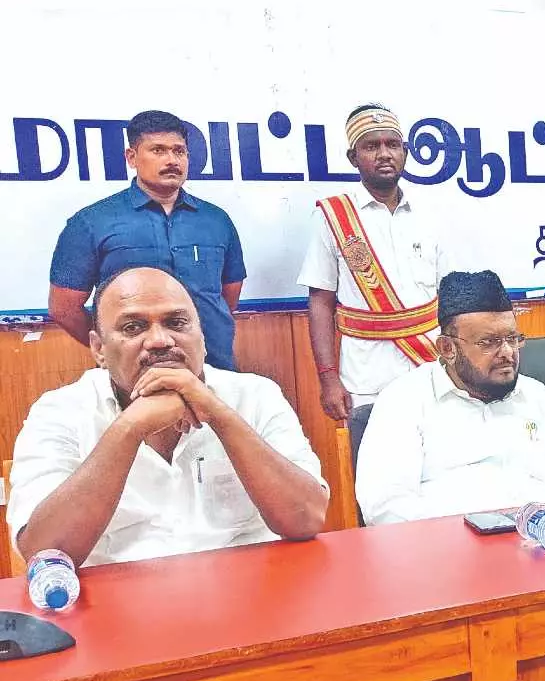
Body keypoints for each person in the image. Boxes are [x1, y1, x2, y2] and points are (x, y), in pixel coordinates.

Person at [7, 267, 328, 567]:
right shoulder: (60, 412)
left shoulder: (255, 395)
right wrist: (129, 428)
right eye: (133, 327)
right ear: (99, 348)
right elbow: (44, 551)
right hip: (115, 602)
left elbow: (306, 520)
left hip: (252, 591)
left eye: (176, 323)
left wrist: (219, 415)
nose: (160, 340)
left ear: (202, 338)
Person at [356, 271, 545, 524]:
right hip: (449, 544)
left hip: (542, 540)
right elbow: (386, 508)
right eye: (489, 342)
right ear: (447, 348)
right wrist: (473, 531)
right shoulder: (403, 402)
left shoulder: (540, 399)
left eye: (512, 339)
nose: (507, 352)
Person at [48, 110, 245, 371]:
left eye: (179, 151)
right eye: (158, 150)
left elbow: (228, 297)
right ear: (132, 157)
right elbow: (64, 308)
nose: (172, 160)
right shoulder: (91, 222)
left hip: (214, 370)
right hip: (136, 377)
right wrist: (114, 351)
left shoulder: (216, 220)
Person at [297, 103, 446, 420]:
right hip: (366, 378)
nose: (384, 154)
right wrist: (328, 378)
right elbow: (321, 301)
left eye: (392, 145)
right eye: (371, 146)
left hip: (431, 365)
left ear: (405, 152)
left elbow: (449, 294)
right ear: (353, 157)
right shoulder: (333, 217)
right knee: (372, 451)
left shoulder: (430, 213)